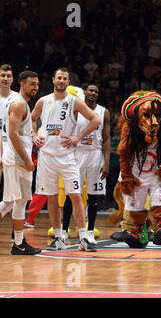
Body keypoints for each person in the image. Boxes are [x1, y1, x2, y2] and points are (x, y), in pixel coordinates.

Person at [31, 67, 101, 252]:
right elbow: (30, 119)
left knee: (76, 196)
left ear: (68, 82)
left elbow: (95, 120)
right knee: (52, 198)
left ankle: (84, 236)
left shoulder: (74, 102)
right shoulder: (43, 101)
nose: (61, 81)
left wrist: (78, 137)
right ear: (53, 80)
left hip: (68, 157)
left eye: (65, 78)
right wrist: (33, 135)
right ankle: (59, 236)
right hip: (46, 156)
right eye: (59, 78)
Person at [61, 84, 111, 245]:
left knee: (93, 196)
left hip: (95, 155)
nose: (93, 93)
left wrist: (107, 162)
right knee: (72, 192)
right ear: (85, 93)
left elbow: (107, 139)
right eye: (90, 90)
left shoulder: (104, 112)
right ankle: (64, 230)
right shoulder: (76, 109)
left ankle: (90, 230)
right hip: (78, 153)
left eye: (96, 91)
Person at [2, 70, 41, 255]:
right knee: (18, 202)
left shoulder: (19, 103)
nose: (36, 87)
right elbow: (12, 134)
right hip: (18, 160)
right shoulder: (18, 104)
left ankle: (19, 242)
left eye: (37, 84)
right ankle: (18, 243)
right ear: (22, 84)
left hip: (15, 159)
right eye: (32, 84)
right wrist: (27, 159)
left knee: (13, 201)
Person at [0, 64, 18, 220]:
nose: (5, 78)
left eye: (8, 76)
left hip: (10, 149)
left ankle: (17, 237)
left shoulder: (18, 98)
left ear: (12, 79)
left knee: (13, 198)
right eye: (2, 75)